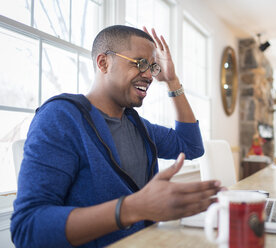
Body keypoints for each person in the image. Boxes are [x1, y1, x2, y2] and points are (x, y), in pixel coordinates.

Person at [11, 25, 222, 247]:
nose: (149, 75)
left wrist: (172, 80)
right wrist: (134, 207)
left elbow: (191, 146)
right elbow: (28, 228)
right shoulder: (60, 118)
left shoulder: (138, 126)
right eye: (140, 63)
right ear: (103, 63)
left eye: (152, 66)